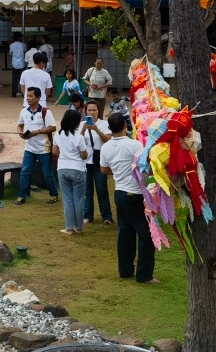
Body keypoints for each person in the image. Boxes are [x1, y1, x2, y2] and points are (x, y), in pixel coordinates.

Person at [99, 113, 156, 284]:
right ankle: (144, 275)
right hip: (133, 193)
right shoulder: (134, 144)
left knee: (125, 232)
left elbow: (103, 170)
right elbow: (143, 166)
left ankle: (125, 271)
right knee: (145, 234)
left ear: (110, 128)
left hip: (120, 193)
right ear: (125, 125)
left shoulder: (106, 147)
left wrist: (118, 171)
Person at [16, 87, 58, 205]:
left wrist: (37, 131)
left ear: (38, 98)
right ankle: (21, 196)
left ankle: (54, 195)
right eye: (27, 96)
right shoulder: (24, 111)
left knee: (47, 173)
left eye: (30, 96)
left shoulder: (45, 112)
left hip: (43, 148)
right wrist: (20, 132)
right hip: (29, 147)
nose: (28, 98)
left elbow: (53, 127)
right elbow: (20, 124)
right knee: (25, 172)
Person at [51, 108, 90, 235]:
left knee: (67, 199)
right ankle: (78, 227)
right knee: (78, 199)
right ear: (76, 123)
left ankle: (69, 228)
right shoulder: (79, 137)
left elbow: (55, 152)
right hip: (77, 169)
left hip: (62, 168)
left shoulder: (58, 134)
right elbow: (84, 156)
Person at [81, 100, 114, 225]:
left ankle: (107, 216)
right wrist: (83, 131)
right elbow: (78, 141)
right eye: (89, 110)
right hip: (86, 161)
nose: (92, 112)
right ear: (85, 111)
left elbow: (108, 140)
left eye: (94, 110)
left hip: (100, 160)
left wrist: (98, 131)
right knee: (87, 190)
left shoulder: (104, 124)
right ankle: (87, 215)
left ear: (98, 111)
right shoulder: (81, 124)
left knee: (102, 188)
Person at [9, 32, 27, 98]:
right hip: (22, 63)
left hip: (14, 63)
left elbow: (10, 53)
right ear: (19, 38)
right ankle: (22, 92)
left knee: (14, 78)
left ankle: (14, 92)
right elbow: (25, 51)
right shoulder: (23, 45)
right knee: (22, 79)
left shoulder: (11, 45)